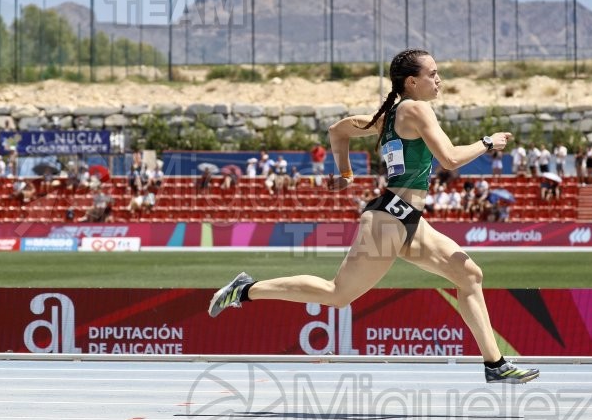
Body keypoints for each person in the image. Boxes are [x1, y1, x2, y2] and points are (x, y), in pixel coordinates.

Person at [208, 49, 539, 384]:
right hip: (390, 221)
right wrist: (488, 142)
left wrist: (346, 173)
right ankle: (246, 289)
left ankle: (494, 364)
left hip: (408, 220)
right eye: (433, 73)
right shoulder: (415, 108)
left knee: (469, 275)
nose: (439, 80)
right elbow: (450, 158)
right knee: (338, 294)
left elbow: (337, 131)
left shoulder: (390, 114)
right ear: (412, 81)